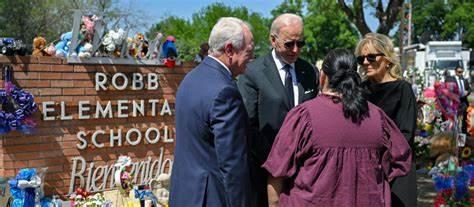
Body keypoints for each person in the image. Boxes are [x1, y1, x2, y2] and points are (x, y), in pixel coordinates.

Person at [263, 49, 412, 207]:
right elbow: (401, 159)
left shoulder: (303, 116)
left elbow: (276, 173)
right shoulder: (377, 116)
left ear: (322, 76)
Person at [170, 17, 255, 207]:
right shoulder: (225, 92)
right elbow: (233, 167)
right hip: (211, 199)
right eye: (249, 51)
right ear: (229, 50)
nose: (252, 58)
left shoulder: (190, 78)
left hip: (185, 195)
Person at [237, 13, 319, 207]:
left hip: (304, 170)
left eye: (301, 43)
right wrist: (276, 159)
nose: (296, 50)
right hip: (266, 170)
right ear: (273, 40)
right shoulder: (252, 72)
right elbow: (248, 124)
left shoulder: (309, 71)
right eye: (289, 44)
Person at [356, 33, 417, 207]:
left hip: (397, 168)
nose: (366, 62)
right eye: (361, 59)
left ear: (387, 59)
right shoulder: (360, 90)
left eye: (371, 57)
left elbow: (406, 134)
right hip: (366, 169)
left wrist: (383, 159)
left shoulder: (402, 89)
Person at [445, 66, 471, 133]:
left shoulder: (464, 80)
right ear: (455, 71)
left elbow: (469, 89)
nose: (461, 73)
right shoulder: (450, 79)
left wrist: (467, 92)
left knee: (465, 118)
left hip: (463, 101)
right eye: (459, 72)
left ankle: (464, 133)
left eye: (462, 72)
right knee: (455, 119)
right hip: (455, 102)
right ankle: (454, 133)